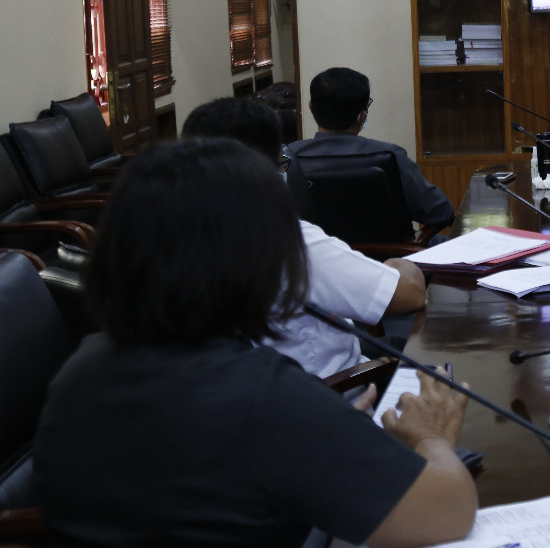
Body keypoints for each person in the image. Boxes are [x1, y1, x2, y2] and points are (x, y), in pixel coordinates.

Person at [34, 138, 477, 547]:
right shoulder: (259, 396)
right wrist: (431, 438)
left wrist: (320, 431)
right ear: (260, 258)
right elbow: (447, 513)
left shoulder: (78, 372)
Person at [183, 97, 427, 379]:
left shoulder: (173, 239)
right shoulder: (286, 240)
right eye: (281, 164)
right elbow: (409, 293)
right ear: (261, 169)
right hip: (338, 396)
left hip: (245, 402)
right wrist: (398, 263)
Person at [291, 67, 455, 231]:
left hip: (315, 255)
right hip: (390, 255)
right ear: (362, 115)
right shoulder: (389, 154)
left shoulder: (288, 157)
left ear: (311, 107)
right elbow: (440, 212)